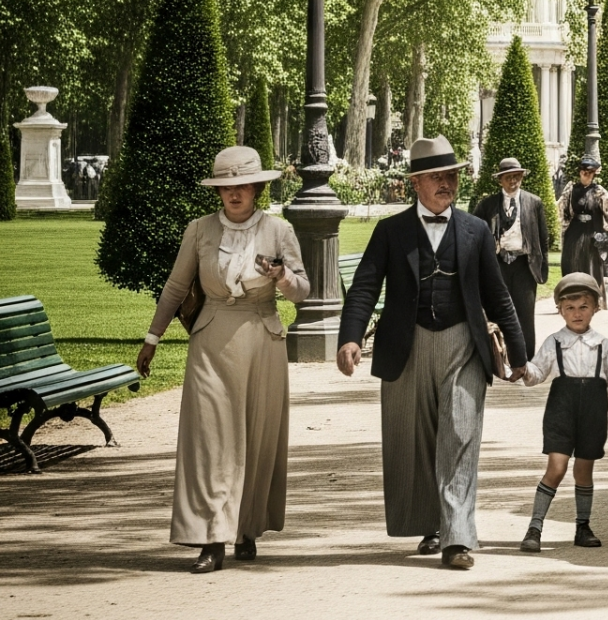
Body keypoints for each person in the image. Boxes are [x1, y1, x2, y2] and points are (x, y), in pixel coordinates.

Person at [337, 135, 530, 570]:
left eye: (451, 176)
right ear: (416, 183)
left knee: (461, 434)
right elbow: (366, 286)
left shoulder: (476, 230)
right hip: (407, 344)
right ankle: (431, 523)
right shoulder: (391, 231)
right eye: (436, 176)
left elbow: (497, 294)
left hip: (463, 342)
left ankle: (458, 538)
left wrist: (518, 353)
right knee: (416, 439)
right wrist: (350, 337)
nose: (446, 183)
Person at [139, 146, 309, 574]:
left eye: (243, 186)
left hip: (263, 340)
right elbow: (176, 288)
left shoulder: (279, 230)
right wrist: (152, 338)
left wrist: (281, 276)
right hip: (211, 343)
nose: (235, 194)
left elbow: (303, 291)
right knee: (211, 441)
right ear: (218, 191)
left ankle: (246, 527)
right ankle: (212, 538)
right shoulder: (198, 231)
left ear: (257, 188)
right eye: (226, 187)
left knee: (256, 437)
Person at [517, 273, 608, 552]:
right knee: (556, 468)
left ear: (595, 307)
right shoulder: (554, 341)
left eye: (583, 306)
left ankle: (583, 526)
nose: (577, 313)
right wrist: (522, 370)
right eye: (569, 308)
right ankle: (535, 527)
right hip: (561, 410)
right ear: (559, 310)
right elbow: (536, 373)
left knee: (584, 471)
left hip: (593, 413)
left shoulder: (602, 344)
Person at [471, 156, 549, 349]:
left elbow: (543, 237)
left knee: (525, 313)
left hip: (524, 265)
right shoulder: (487, 205)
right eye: (508, 178)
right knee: (498, 311)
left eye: (517, 177)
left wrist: (542, 266)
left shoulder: (534, 202)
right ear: (500, 180)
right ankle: (499, 357)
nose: (513, 181)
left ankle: (527, 358)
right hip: (497, 265)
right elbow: (473, 235)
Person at [560, 155, 608, 306]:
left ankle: (592, 299)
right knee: (572, 262)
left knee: (591, 265)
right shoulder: (571, 189)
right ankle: (570, 298)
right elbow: (563, 210)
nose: (587, 175)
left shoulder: (599, 192)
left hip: (593, 232)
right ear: (579, 172)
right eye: (584, 172)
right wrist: (564, 229)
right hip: (575, 231)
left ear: (594, 175)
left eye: (590, 173)